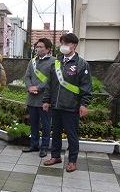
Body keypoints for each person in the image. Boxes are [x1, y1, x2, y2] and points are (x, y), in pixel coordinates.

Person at [42, 33, 92, 172]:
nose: (62, 46)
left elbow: (86, 86)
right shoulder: (56, 63)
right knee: (56, 132)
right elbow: (49, 84)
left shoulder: (81, 64)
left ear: (74, 46)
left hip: (71, 106)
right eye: (61, 43)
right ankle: (55, 156)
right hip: (56, 105)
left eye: (66, 43)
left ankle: (72, 161)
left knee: (72, 135)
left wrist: (84, 104)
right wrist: (46, 100)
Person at [22, 38, 55, 157]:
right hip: (31, 98)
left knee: (45, 125)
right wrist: (30, 87)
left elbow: (52, 80)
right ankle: (33, 144)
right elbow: (27, 76)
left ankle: (44, 147)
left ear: (48, 49)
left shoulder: (53, 62)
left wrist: (38, 87)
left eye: (41, 47)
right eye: (37, 47)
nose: (38, 49)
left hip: (44, 99)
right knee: (34, 124)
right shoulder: (32, 61)